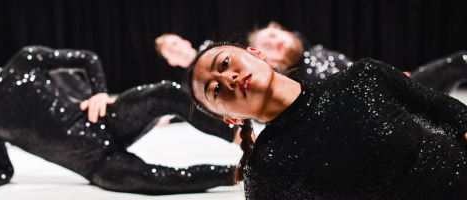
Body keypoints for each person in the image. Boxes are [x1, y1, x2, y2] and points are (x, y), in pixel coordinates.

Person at [0, 46, 237, 199]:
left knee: (165, 92)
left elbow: (87, 58)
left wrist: (100, 93)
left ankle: (236, 136)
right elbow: (3, 168)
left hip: (104, 121)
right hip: (97, 165)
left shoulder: (25, 60)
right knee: (160, 181)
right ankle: (239, 173)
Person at [188, 42, 467, 199]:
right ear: (232, 118)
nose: (228, 78)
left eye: (224, 64)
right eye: (215, 90)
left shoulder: (364, 76)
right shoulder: (265, 170)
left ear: (256, 53)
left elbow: (452, 115)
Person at [248, 21, 467, 93]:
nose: (275, 43)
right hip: (381, 112)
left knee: (460, 61)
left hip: (393, 92)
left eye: (274, 36)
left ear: (286, 32)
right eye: (268, 47)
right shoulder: (293, 83)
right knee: (460, 62)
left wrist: (389, 75)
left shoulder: (316, 51)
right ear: (270, 62)